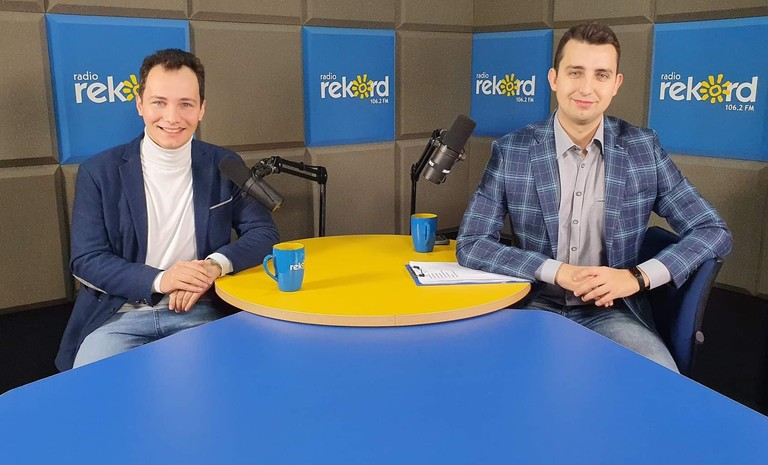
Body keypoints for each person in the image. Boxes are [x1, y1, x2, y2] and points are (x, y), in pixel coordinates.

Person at [456, 23, 732, 372]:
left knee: (662, 383)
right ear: (554, 79)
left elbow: (712, 230)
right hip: (532, 304)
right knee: (486, 375)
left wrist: (636, 277)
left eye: (601, 75)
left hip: (613, 312)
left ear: (616, 84)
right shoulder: (513, 150)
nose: (586, 88)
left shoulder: (643, 148)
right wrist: (556, 271)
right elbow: (472, 243)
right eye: (575, 72)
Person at [56, 49, 279, 370]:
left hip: (202, 310)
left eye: (185, 104)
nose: (172, 117)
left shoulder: (224, 164)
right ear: (140, 104)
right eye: (159, 102)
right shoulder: (99, 172)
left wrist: (213, 267)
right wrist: (163, 279)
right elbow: (86, 260)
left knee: (227, 385)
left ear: (201, 109)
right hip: (116, 317)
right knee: (92, 396)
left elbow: (264, 232)